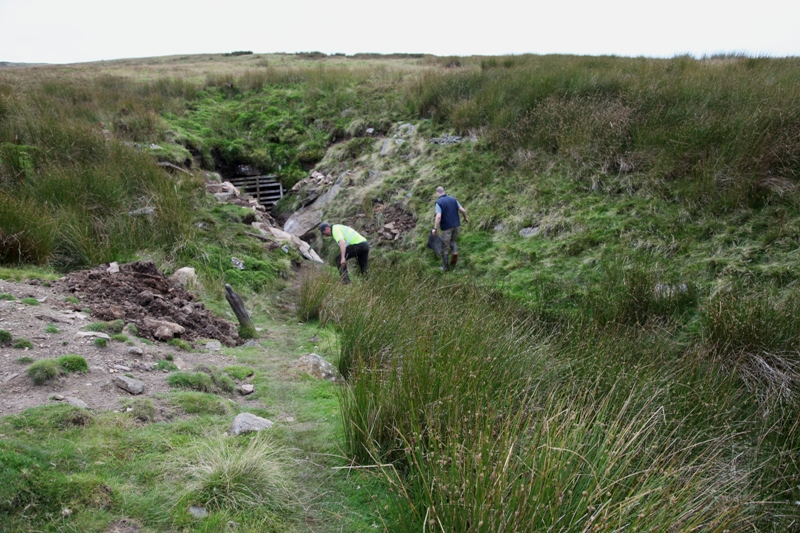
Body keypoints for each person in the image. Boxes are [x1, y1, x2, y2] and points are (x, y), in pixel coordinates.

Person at [432, 186, 468, 271]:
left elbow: (438, 216)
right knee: (453, 241)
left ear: (437, 193)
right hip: (456, 225)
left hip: (446, 228)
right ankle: (455, 252)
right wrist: (465, 218)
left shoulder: (439, 202)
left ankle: (445, 268)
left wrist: (435, 228)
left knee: (445, 247)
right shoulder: (453, 199)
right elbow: (463, 210)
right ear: (444, 191)